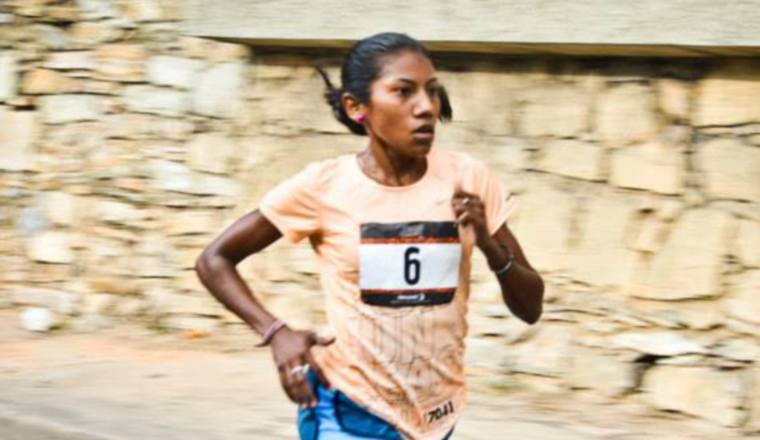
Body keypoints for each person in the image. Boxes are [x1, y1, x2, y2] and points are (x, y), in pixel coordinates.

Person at [195, 32, 544, 440]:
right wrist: (276, 333)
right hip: (350, 410)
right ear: (356, 107)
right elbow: (214, 259)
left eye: (432, 92)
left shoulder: (468, 179)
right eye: (403, 92)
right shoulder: (324, 186)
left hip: (437, 416)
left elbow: (531, 306)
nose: (425, 108)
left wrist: (488, 243)